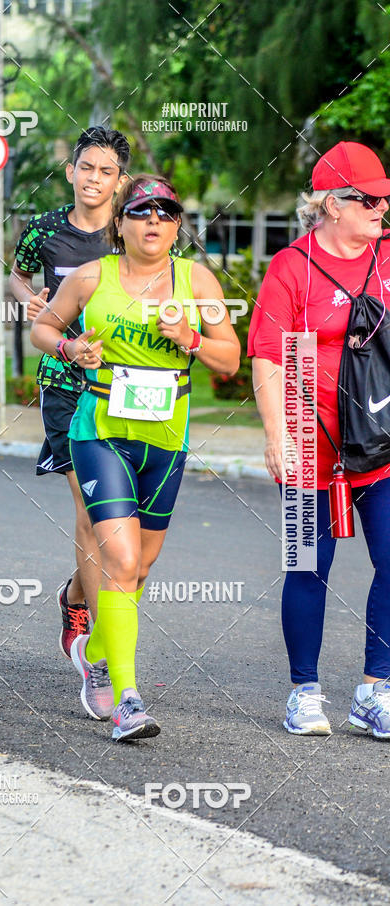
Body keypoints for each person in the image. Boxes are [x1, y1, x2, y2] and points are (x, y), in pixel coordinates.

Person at [31, 175, 240, 740]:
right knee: (120, 564)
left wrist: (190, 340)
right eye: (142, 212)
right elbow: (44, 328)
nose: (154, 222)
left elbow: (229, 358)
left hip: (167, 438)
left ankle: (96, 654)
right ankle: (127, 699)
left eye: (166, 213)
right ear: (120, 224)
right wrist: (72, 347)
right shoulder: (90, 276)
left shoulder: (196, 280)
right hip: (100, 429)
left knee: (140, 568)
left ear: (176, 226)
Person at [249, 141, 390, 738]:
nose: (383, 206)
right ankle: (303, 691)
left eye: (384, 197)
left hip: (380, 436)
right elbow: (269, 358)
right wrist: (279, 433)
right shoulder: (291, 266)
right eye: (371, 199)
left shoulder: (387, 260)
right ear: (333, 205)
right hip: (312, 437)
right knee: (308, 565)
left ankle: (375, 689)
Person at [9, 126, 130, 658]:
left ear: (119, 181)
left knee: (123, 516)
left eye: (106, 172)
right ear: (70, 171)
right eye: (87, 168)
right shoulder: (45, 228)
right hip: (63, 382)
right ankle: (100, 647)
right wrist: (30, 300)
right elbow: (18, 274)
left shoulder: (130, 234)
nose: (94, 179)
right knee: (89, 509)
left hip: (123, 386)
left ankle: (75, 593)